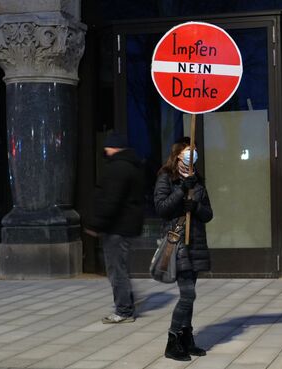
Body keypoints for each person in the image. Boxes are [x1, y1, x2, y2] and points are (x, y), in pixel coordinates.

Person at [154, 141, 213, 361]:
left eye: (195, 150)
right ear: (178, 155)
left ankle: (186, 338)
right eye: (188, 151)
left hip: (195, 243)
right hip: (177, 243)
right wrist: (181, 190)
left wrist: (196, 207)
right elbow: (161, 208)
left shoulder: (198, 180)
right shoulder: (166, 178)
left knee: (190, 295)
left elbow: (209, 214)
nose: (192, 154)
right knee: (188, 294)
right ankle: (172, 341)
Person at [85, 131, 145, 324]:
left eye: (107, 146)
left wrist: (96, 223)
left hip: (117, 227)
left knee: (116, 269)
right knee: (121, 268)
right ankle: (127, 303)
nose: (105, 150)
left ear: (112, 147)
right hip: (126, 226)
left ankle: (124, 310)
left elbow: (111, 200)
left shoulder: (117, 169)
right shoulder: (133, 166)